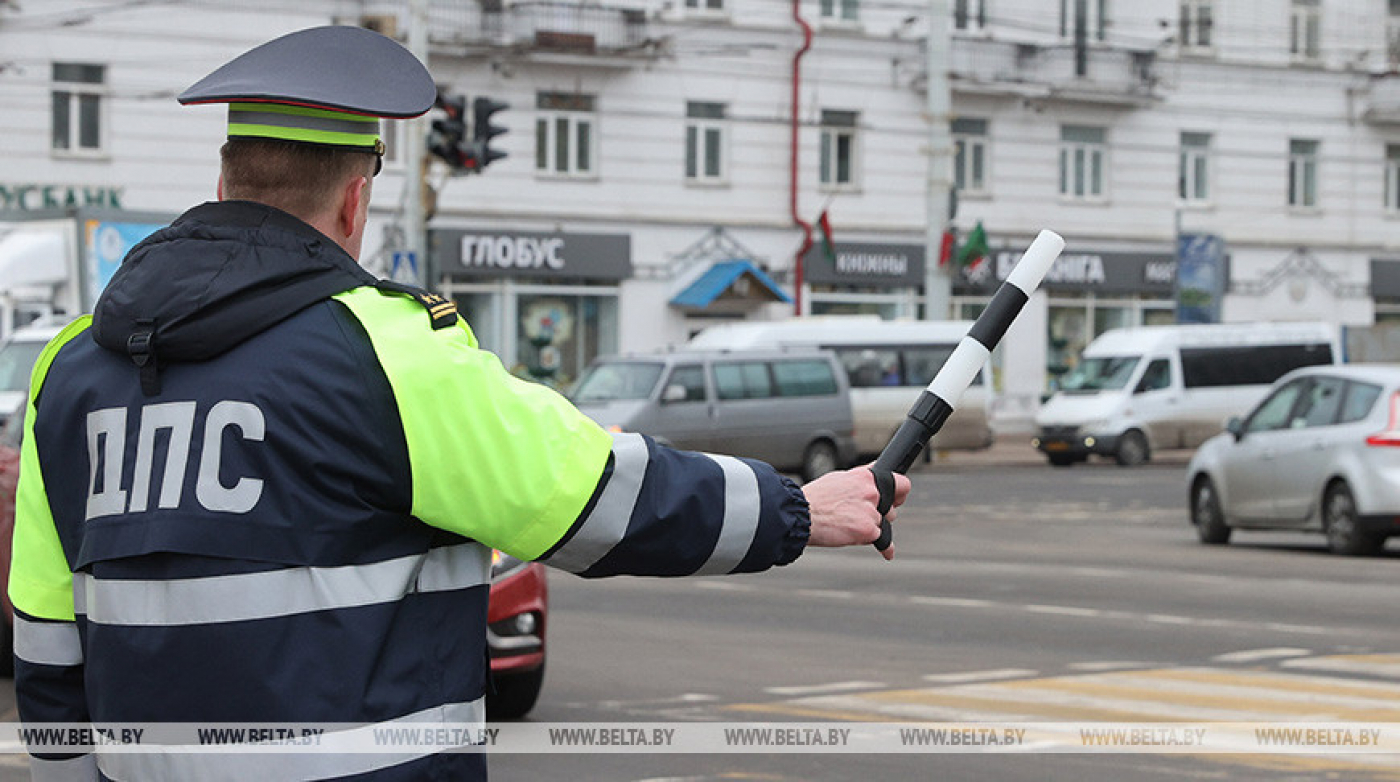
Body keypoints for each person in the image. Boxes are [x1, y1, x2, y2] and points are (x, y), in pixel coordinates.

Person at [7, 25, 911, 781]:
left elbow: (46, 634)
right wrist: (798, 508)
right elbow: (595, 497)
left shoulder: (71, 369)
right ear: (356, 199)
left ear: (226, 177)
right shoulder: (382, 352)